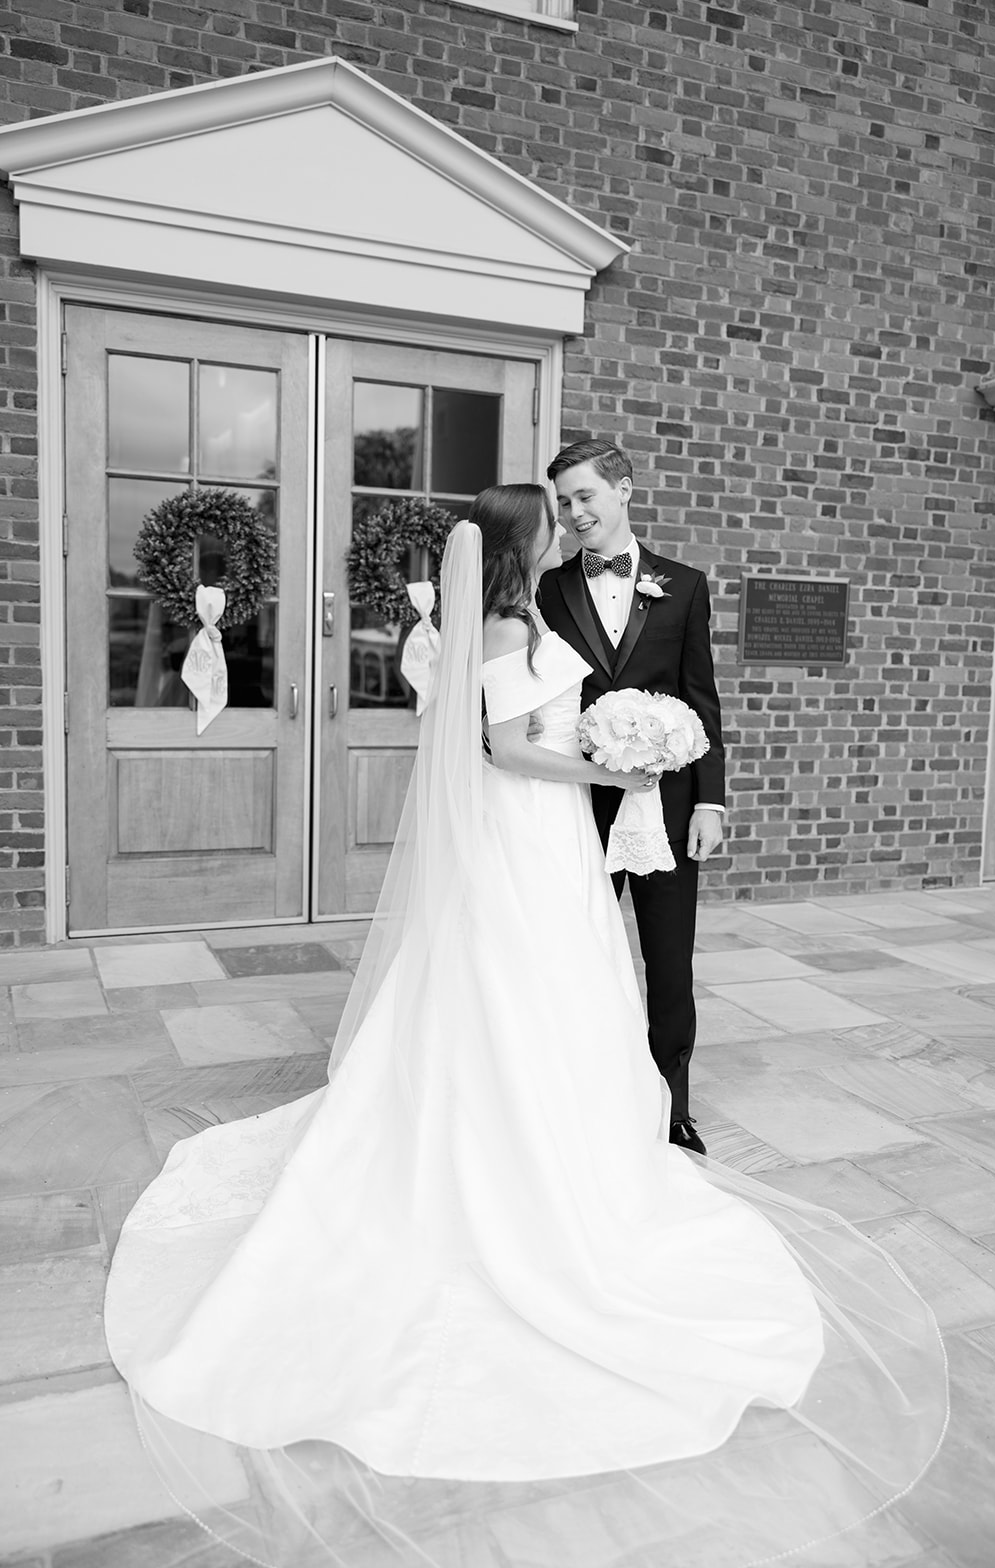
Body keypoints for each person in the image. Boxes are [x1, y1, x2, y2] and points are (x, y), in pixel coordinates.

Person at [103, 484, 946, 1568]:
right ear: (521, 540)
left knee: (568, 978)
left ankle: (573, 1126)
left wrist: (637, 754)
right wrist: (609, 765)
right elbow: (503, 748)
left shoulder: (526, 612)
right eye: (549, 513)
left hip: (553, 837)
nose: (563, 521)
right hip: (528, 822)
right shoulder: (504, 626)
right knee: (518, 977)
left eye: (571, 503)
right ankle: (511, 1142)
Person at [539, 439, 723, 1154]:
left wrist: (709, 802)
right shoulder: (548, 589)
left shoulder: (686, 584)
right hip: (578, 805)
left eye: (584, 496)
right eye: (563, 503)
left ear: (624, 490)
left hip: (666, 808)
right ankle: (580, 1096)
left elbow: (702, 699)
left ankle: (672, 1107)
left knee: (670, 962)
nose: (573, 513)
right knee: (577, 953)